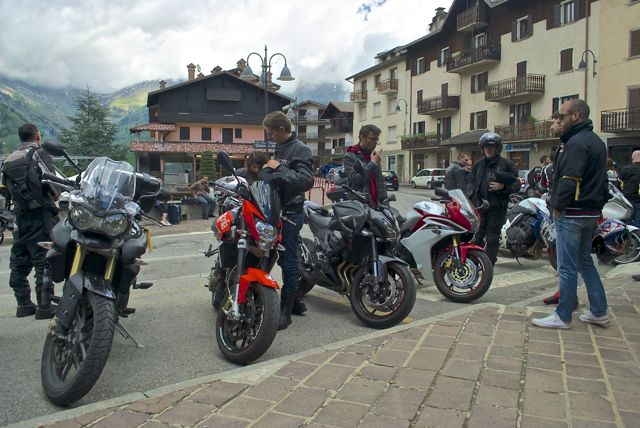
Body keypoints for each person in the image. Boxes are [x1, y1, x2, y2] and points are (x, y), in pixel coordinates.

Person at [532, 99, 609, 329]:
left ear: (575, 116)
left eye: (561, 116)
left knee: (566, 265)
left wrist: (557, 206)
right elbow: (603, 181)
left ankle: (563, 315)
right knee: (585, 262)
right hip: (590, 212)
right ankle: (598, 311)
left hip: (572, 212)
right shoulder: (596, 142)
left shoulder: (575, 143)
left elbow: (569, 179)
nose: (558, 120)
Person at [258, 111, 314, 330]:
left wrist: (279, 169)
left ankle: (285, 312)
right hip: (274, 210)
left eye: (271, 133)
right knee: (273, 255)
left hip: (291, 212)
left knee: (288, 260)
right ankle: (297, 301)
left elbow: (306, 181)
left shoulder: (301, 149)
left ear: (281, 129)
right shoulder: (279, 147)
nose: (270, 137)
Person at [1, 123, 59, 318]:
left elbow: (5, 190)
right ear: (37, 136)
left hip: (20, 216)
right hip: (41, 216)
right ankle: (45, 306)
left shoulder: (10, 159)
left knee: (19, 261)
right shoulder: (39, 154)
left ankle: (23, 304)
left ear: (20, 137)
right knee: (43, 261)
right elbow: (52, 182)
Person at [471, 132, 519, 265]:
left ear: (497, 148)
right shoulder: (478, 165)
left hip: (497, 207)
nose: (489, 149)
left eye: (491, 147)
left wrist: (503, 187)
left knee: (492, 237)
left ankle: (489, 264)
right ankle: (473, 263)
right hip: (479, 207)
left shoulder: (506, 164)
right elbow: (470, 184)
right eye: (486, 147)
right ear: (482, 148)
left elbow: (517, 184)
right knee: (477, 236)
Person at [343, 124, 387, 206]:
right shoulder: (350, 156)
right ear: (362, 137)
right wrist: (372, 164)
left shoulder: (374, 156)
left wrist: (385, 203)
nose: (375, 142)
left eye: (376, 139)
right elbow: (355, 180)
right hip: (360, 206)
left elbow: (380, 182)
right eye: (373, 139)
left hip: (377, 206)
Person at [617, 150, 640, 228]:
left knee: (626, 222)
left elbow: (617, 185)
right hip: (639, 200)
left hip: (627, 200)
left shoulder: (625, 169)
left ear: (633, 158)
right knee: (638, 222)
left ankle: (628, 234)